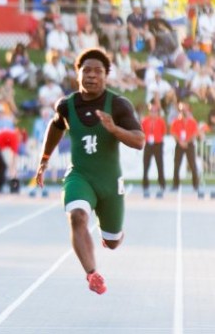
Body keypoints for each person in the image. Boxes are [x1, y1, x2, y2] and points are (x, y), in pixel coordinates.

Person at [35, 48, 144, 295]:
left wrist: (114, 129)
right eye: (87, 71)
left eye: (98, 71)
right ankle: (92, 274)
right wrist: (44, 159)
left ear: (106, 76)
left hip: (109, 182)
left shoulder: (118, 104)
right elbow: (55, 128)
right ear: (78, 74)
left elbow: (139, 141)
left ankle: (112, 235)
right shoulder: (66, 105)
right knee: (77, 217)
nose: (92, 76)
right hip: (79, 176)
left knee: (113, 242)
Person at [170, 102, 200, 191]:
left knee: (192, 165)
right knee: (177, 165)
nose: (184, 112)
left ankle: (195, 185)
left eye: (186, 110)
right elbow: (173, 132)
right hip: (179, 144)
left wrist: (186, 142)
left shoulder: (193, 122)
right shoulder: (176, 121)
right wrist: (180, 141)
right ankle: (175, 185)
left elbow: (195, 133)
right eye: (182, 110)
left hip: (189, 145)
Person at [141, 101, 167, 198]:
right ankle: (145, 186)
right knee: (146, 165)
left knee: (159, 165)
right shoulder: (145, 121)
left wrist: (157, 138)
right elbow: (141, 130)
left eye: (155, 111)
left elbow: (163, 131)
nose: (153, 113)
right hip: (148, 144)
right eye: (151, 111)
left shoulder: (161, 121)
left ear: (157, 112)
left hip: (157, 144)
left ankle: (162, 185)